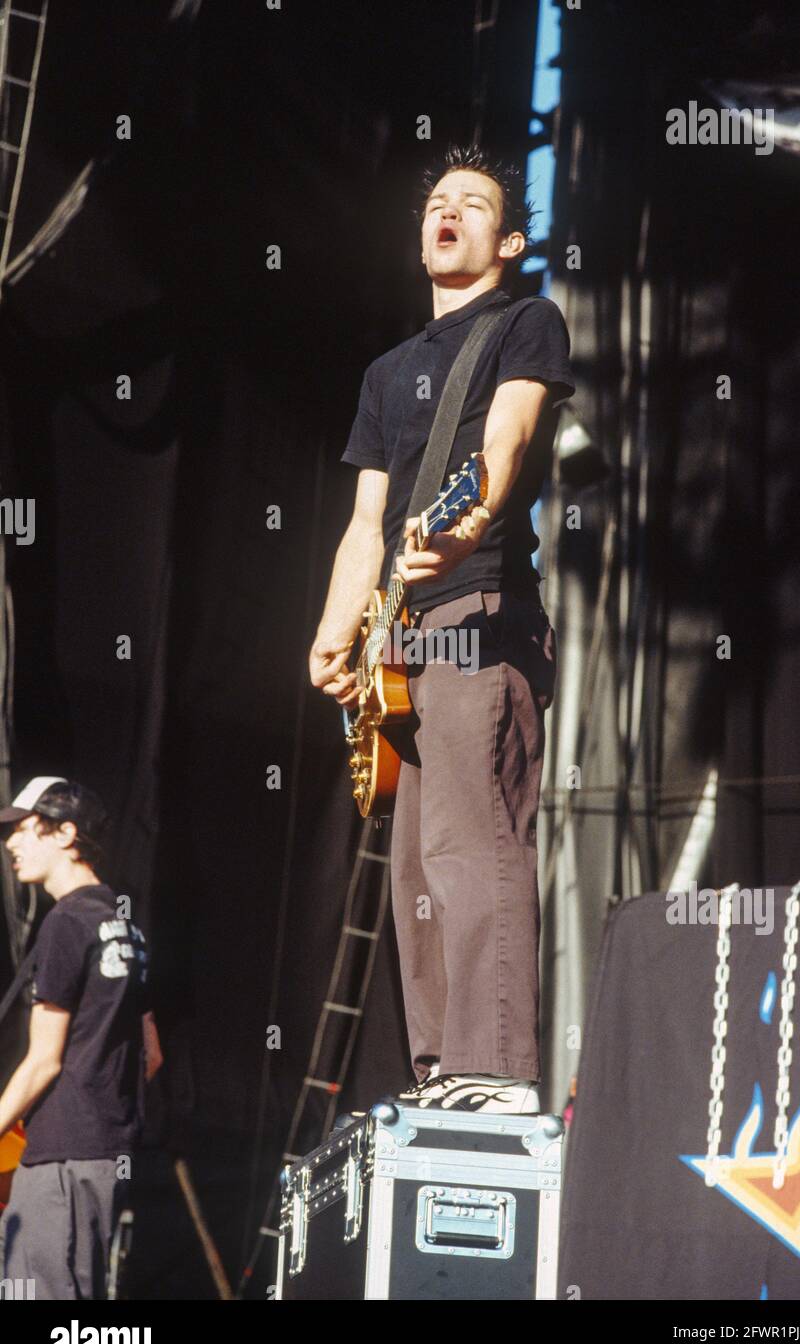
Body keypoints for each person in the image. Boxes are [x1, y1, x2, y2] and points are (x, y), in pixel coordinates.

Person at [309, 144, 575, 1113]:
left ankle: (497, 1064)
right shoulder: (387, 373)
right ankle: (440, 1068)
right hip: (401, 637)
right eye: (435, 202)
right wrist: (336, 632)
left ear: (506, 241)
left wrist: (462, 533)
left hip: (481, 611)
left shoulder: (524, 323)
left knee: (474, 838)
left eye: (471, 202)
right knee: (417, 862)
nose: (446, 212)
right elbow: (363, 524)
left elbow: (501, 446)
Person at [0, 776, 160, 1299]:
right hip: (105, 1149)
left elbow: (44, 1061)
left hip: (61, 1156)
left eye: (24, 829)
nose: (10, 843)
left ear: (65, 833)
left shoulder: (66, 921)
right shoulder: (124, 922)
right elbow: (152, 1055)